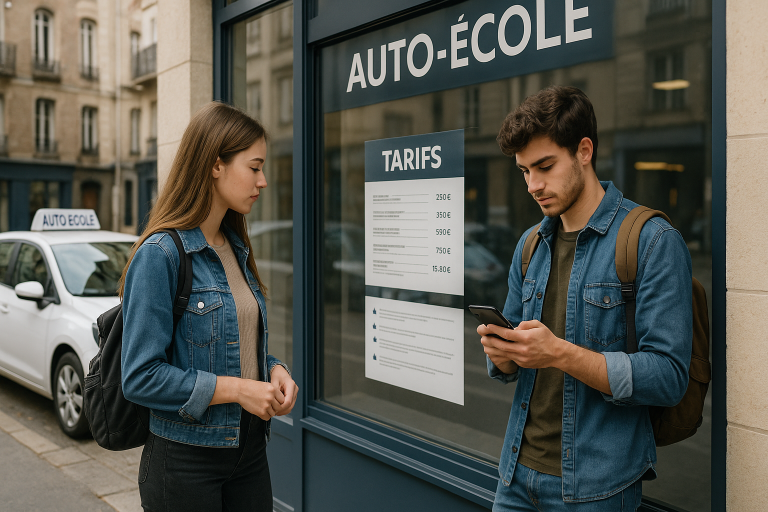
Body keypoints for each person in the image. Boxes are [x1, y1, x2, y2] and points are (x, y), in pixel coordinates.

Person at [478, 86, 692, 511]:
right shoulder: (530, 245)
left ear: (584, 151)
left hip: (596, 488)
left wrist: (558, 353)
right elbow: (510, 364)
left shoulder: (651, 241)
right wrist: (502, 354)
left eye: (544, 166)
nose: (533, 185)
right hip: (515, 476)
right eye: (524, 171)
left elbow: (669, 377)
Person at [118, 102, 298, 512]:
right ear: (216, 165)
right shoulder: (161, 254)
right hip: (185, 463)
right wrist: (239, 390)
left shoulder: (234, 247)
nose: (263, 180)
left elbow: (230, 341)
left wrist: (273, 369)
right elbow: (140, 377)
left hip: (248, 450)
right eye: (254, 167)